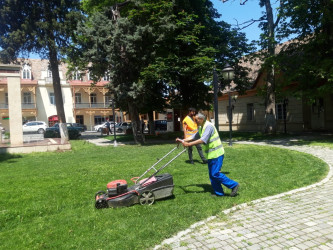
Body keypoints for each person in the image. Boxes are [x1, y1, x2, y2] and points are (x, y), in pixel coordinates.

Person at [177, 111, 239, 197]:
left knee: (215, 174)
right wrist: (183, 140)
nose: (195, 121)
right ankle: (219, 193)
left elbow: (203, 140)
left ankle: (234, 185)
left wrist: (189, 144)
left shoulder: (208, 126)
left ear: (201, 119)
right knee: (212, 175)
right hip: (211, 154)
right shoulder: (201, 127)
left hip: (217, 153)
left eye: (196, 120)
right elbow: (194, 136)